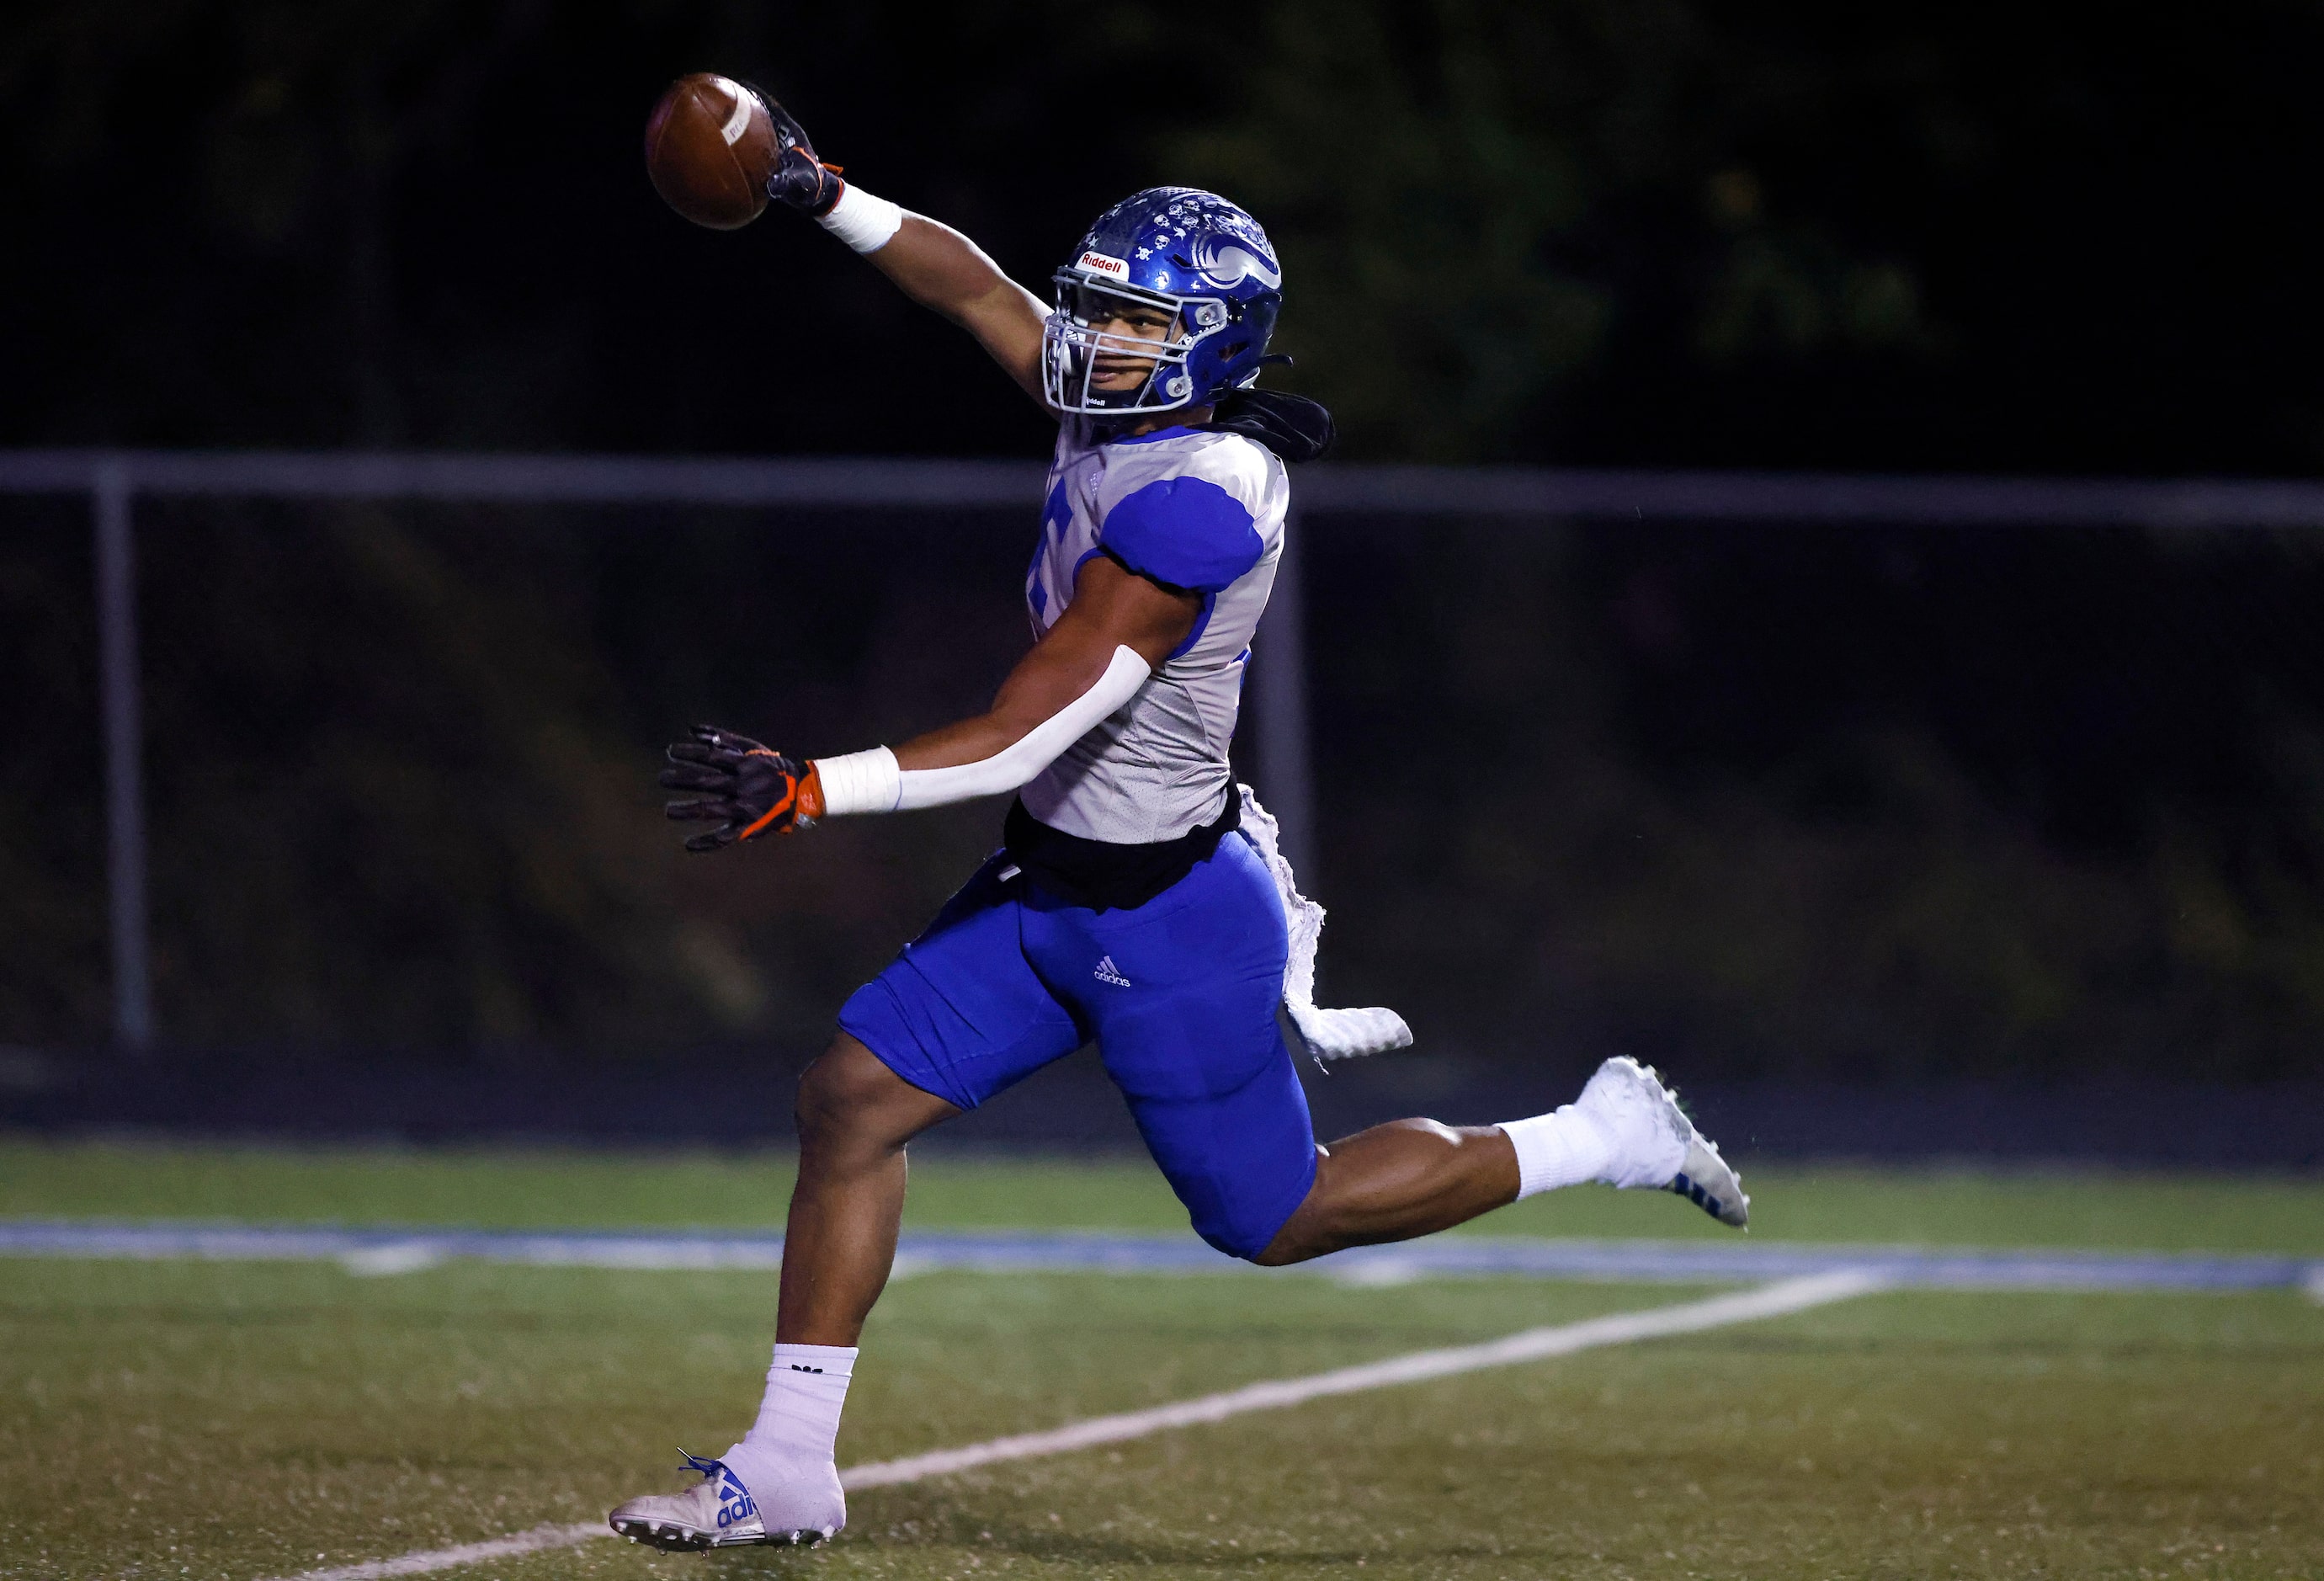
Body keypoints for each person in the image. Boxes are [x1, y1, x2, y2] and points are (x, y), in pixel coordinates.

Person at [609, 88, 1748, 1552]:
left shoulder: (1203, 497)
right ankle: (787, 1462)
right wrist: (819, 191)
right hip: (1047, 888)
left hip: (1169, 914)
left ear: (1204, 346)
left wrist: (813, 786)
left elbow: (1033, 720)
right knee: (848, 1100)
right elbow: (967, 283)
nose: (1092, 339)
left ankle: (1598, 1132)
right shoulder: (1116, 397)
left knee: (1276, 1216)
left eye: (1132, 323)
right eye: (1093, 309)